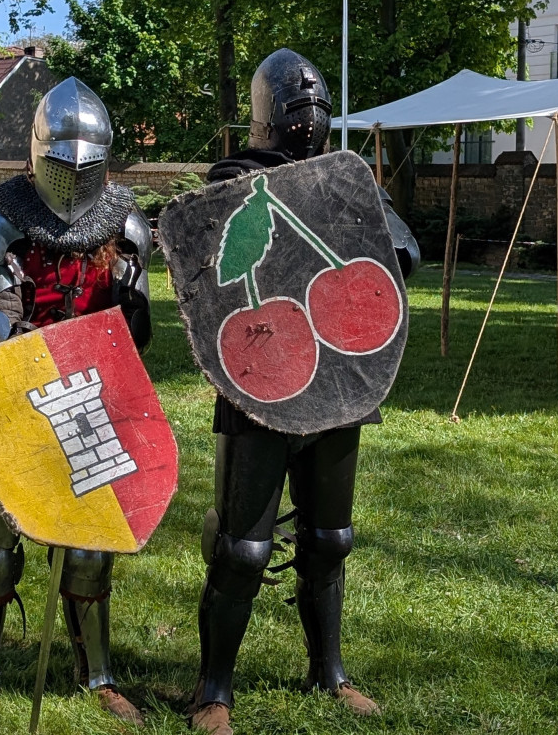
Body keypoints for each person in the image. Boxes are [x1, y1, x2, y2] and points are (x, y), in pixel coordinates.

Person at [189, 49, 420, 735]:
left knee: (330, 537)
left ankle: (330, 672)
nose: (308, 115)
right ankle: (212, 691)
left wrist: (357, 233)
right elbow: (211, 271)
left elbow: (402, 253)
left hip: (340, 378)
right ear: (267, 112)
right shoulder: (235, 180)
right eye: (296, 103)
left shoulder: (347, 179)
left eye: (315, 104)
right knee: (242, 549)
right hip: (262, 380)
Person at [0, 76, 153, 732]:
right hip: (6, 396)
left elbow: (132, 337)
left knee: (90, 549)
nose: (73, 176)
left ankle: (98, 675)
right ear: (39, 153)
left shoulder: (127, 230)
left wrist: (131, 305)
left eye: (86, 164)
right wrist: (31, 338)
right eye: (63, 160)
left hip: (89, 402)